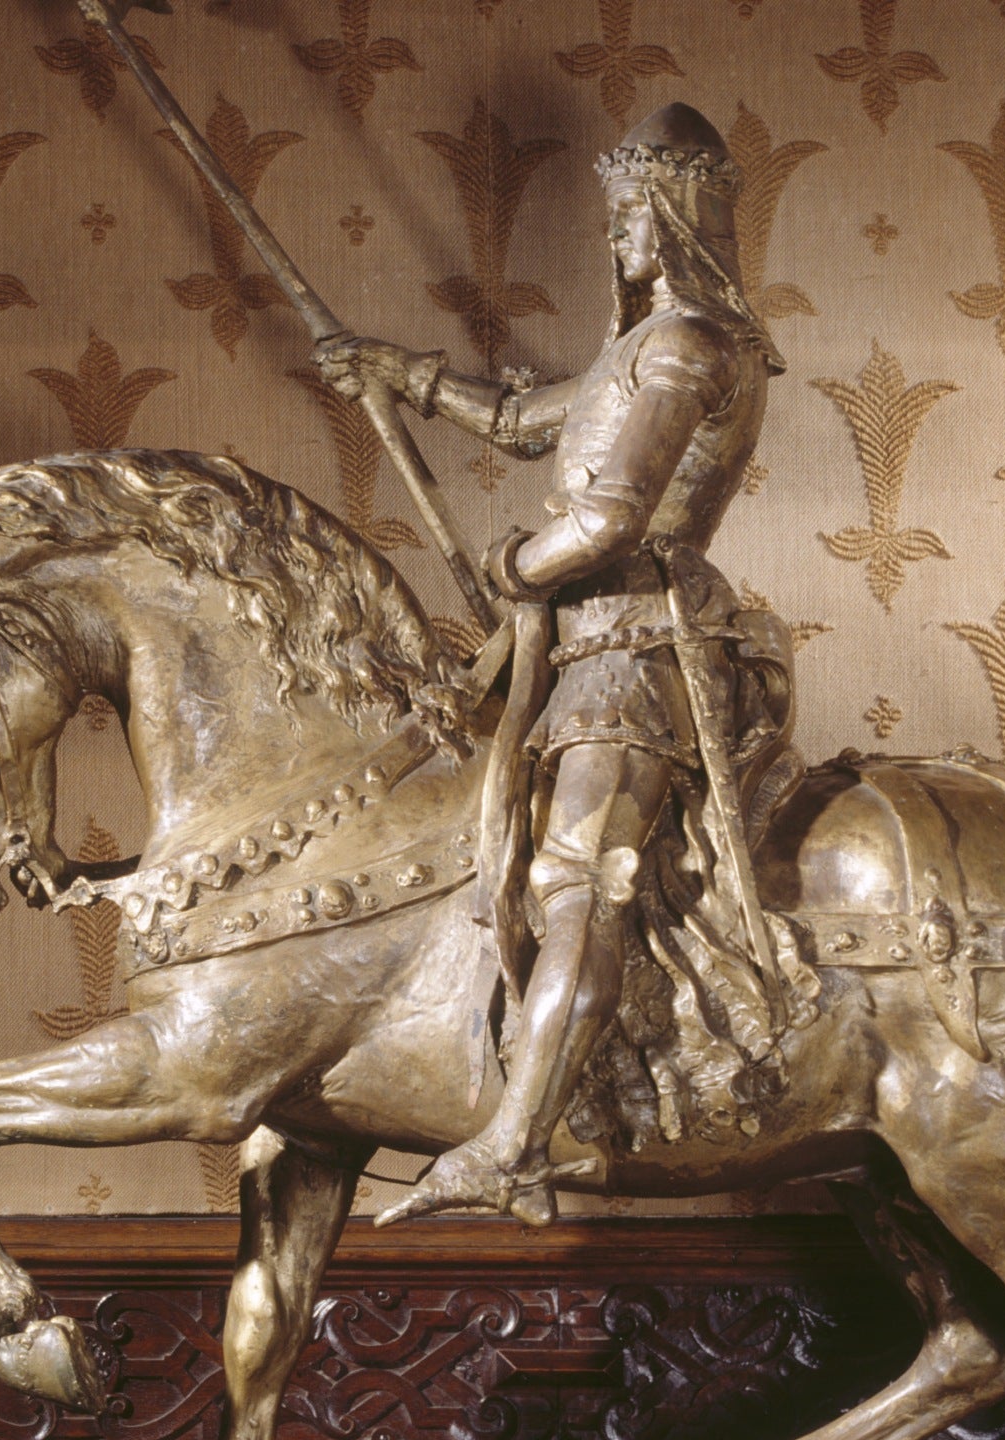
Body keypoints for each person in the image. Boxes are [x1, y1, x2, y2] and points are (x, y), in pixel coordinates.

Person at [316, 102, 785, 1224]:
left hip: (640, 645)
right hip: (587, 641)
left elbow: (615, 520)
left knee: (581, 882)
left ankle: (516, 1143)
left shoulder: (687, 347)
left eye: (632, 217)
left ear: (674, 222)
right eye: (615, 217)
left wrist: (518, 565)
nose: (618, 239)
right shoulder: (642, 346)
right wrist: (402, 374)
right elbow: (530, 421)